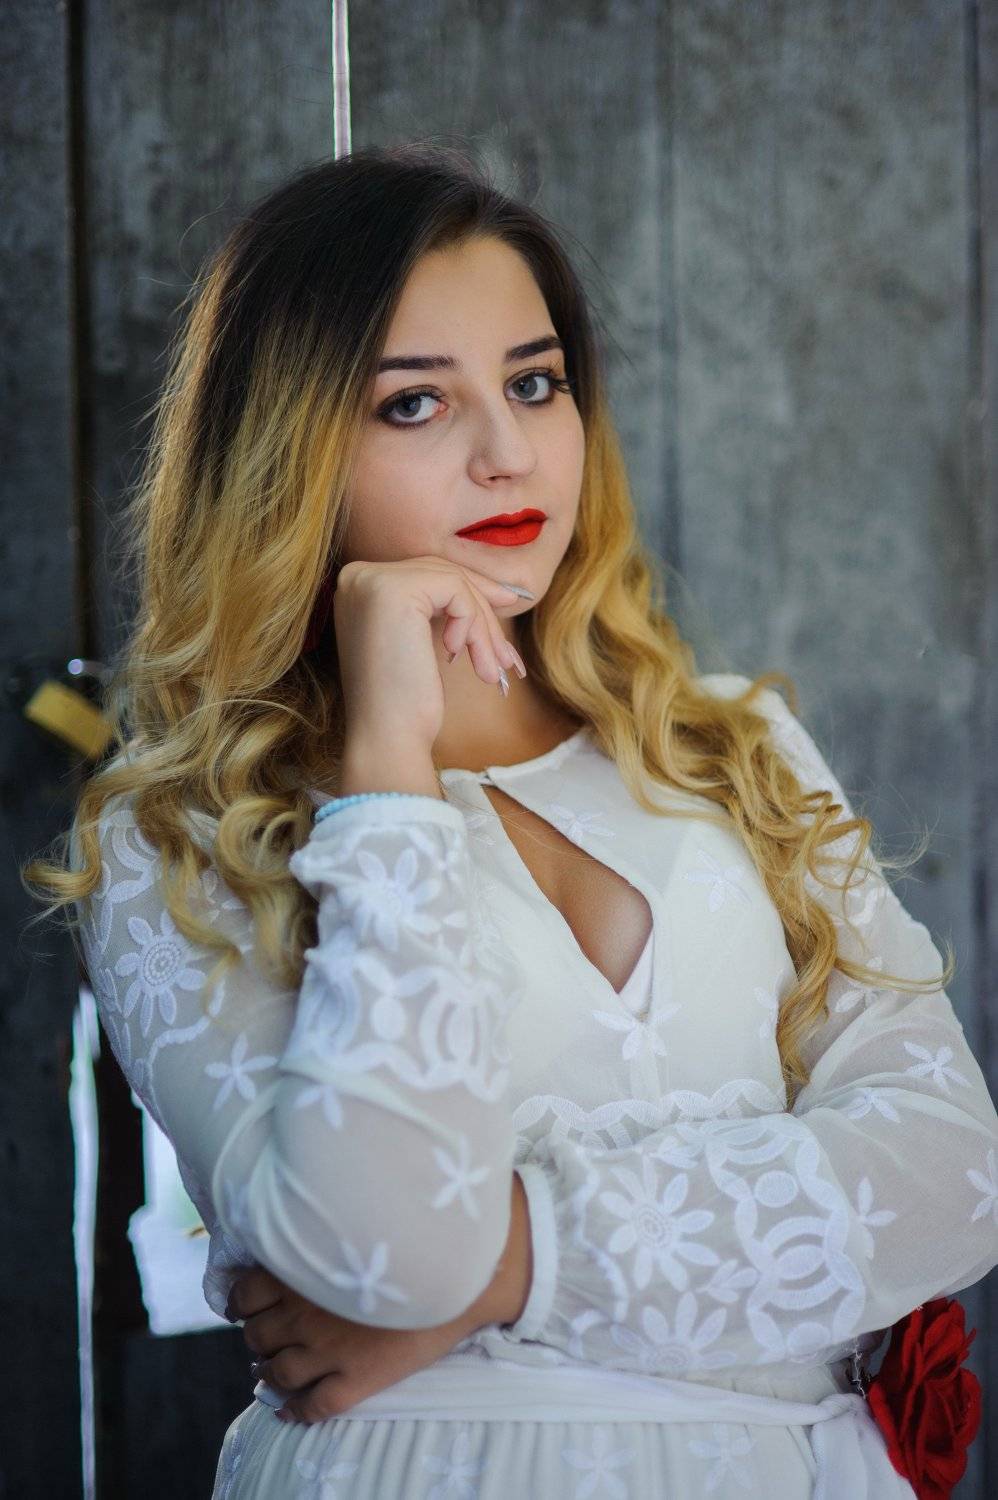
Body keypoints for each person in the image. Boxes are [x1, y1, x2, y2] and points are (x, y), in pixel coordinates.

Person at [23, 143, 998, 1499]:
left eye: (534, 383)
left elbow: (952, 1175)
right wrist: (385, 773)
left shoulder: (732, 746)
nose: (508, 452)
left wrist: (508, 1266)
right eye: (415, 403)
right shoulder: (178, 835)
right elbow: (382, 1252)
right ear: (287, 455)